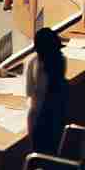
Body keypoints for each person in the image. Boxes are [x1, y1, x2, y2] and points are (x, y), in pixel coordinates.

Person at [24, 27, 68, 156]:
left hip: (39, 120)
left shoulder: (32, 63)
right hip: (57, 117)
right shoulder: (61, 60)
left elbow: (30, 95)